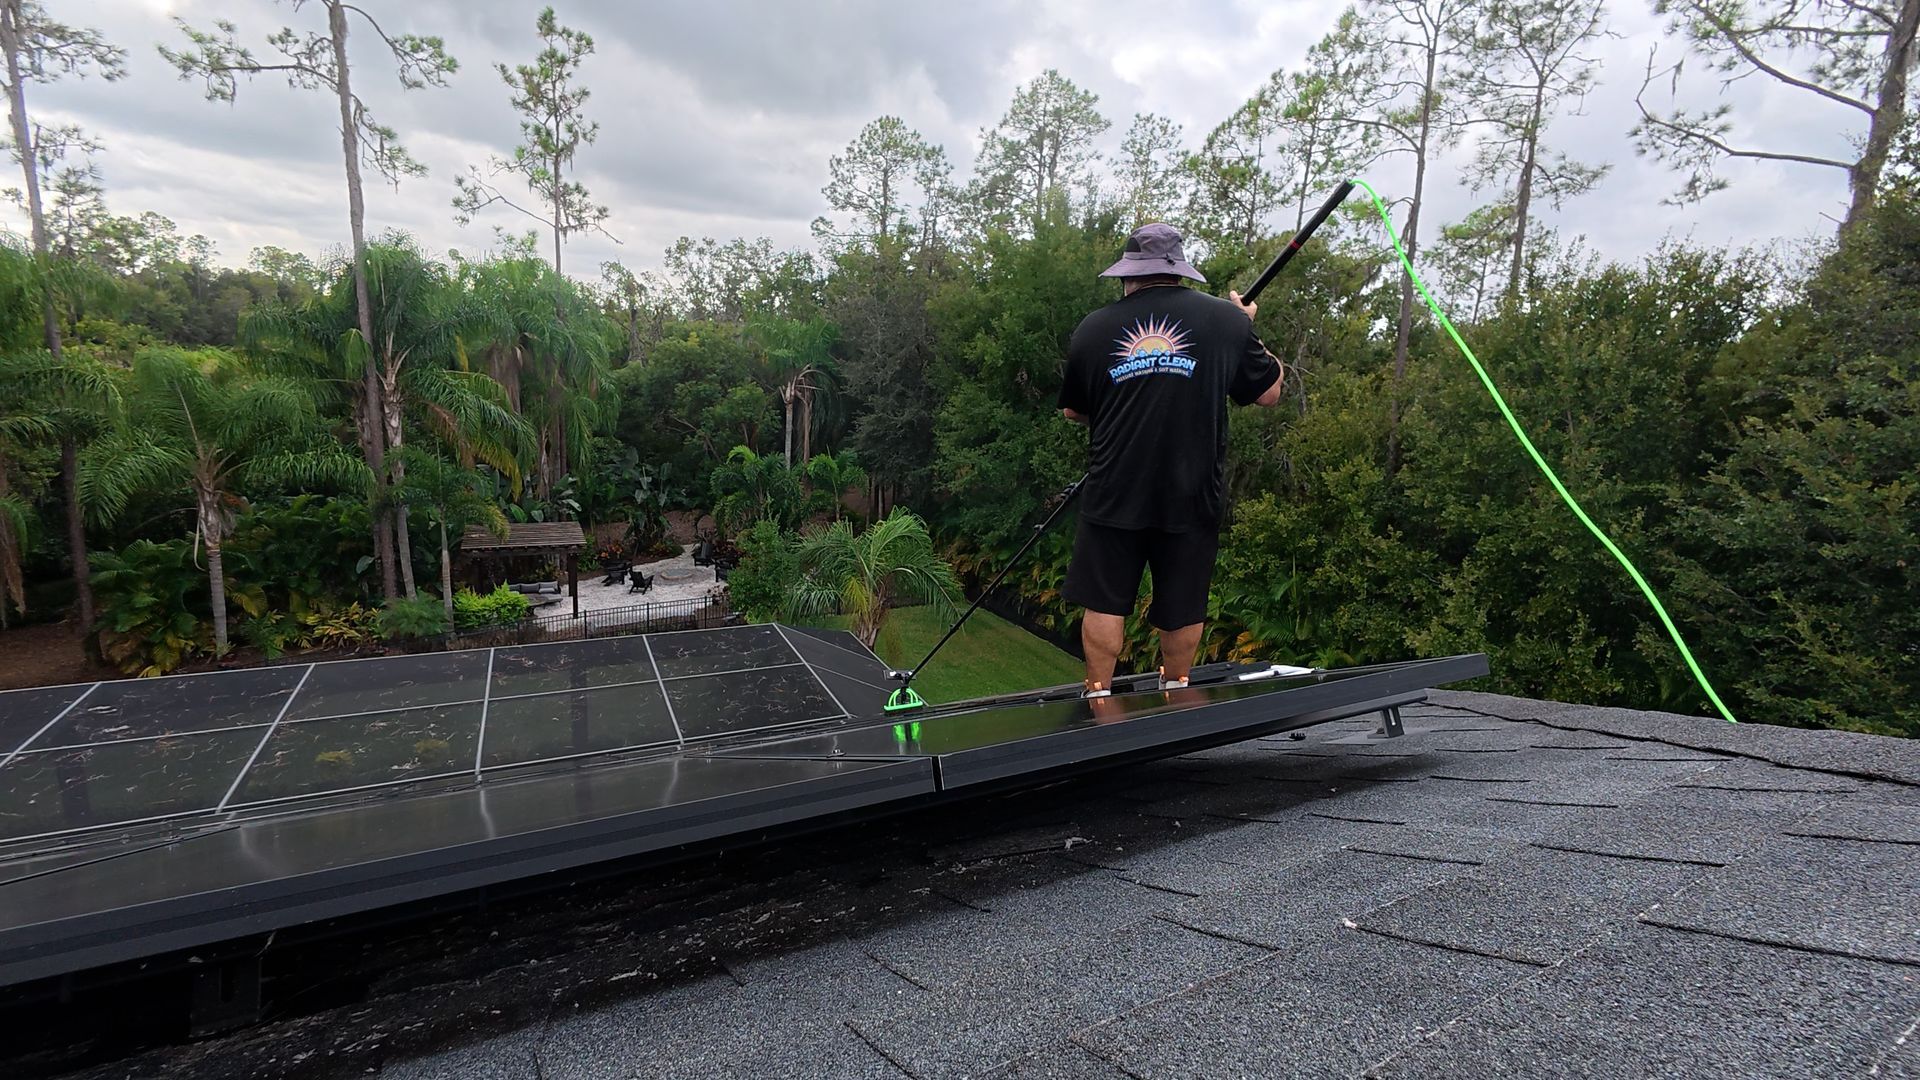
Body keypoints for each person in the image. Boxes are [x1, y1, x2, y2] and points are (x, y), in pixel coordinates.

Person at [1057, 222, 1285, 697]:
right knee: (1182, 604)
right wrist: (1247, 326)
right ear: (1179, 271)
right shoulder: (1228, 322)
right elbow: (1269, 393)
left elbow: (1073, 410)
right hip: (1192, 490)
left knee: (1104, 600)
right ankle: (1176, 688)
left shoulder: (1093, 328)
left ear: (1127, 275)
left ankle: (1098, 692)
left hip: (1115, 487)